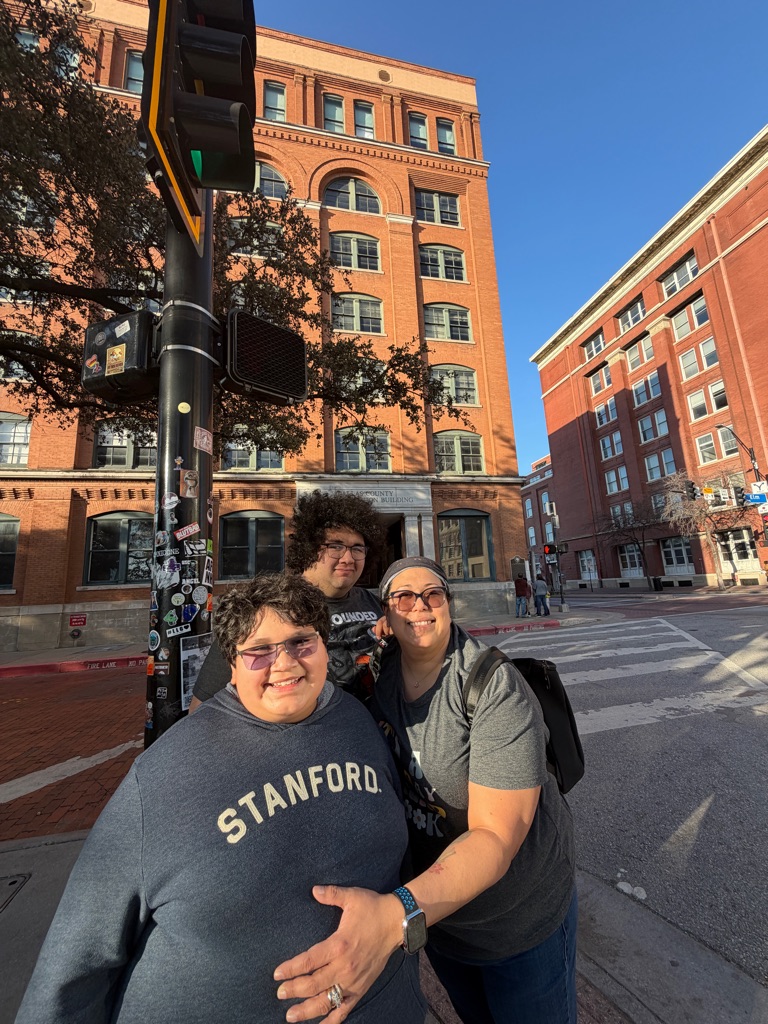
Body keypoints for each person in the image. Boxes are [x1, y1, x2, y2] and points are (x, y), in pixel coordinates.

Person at [15, 574, 427, 1024]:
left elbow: (402, 866)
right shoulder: (163, 775)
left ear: (323, 646)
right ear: (231, 664)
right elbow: (74, 969)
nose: (284, 662)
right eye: (259, 650)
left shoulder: (359, 724)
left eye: (301, 642)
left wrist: (400, 924)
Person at [273, 556, 576, 1024]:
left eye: (433, 595)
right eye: (403, 597)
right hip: (441, 919)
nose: (420, 606)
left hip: (517, 924)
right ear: (385, 614)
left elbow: (495, 837)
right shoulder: (381, 672)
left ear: (449, 605)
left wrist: (394, 915)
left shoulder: (491, 686)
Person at [189, 490, 384, 711]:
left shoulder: (378, 604)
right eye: (335, 546)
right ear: (309, 548)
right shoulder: (261, 607)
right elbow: (201, 709)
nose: (348, 558)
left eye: (357, 548)